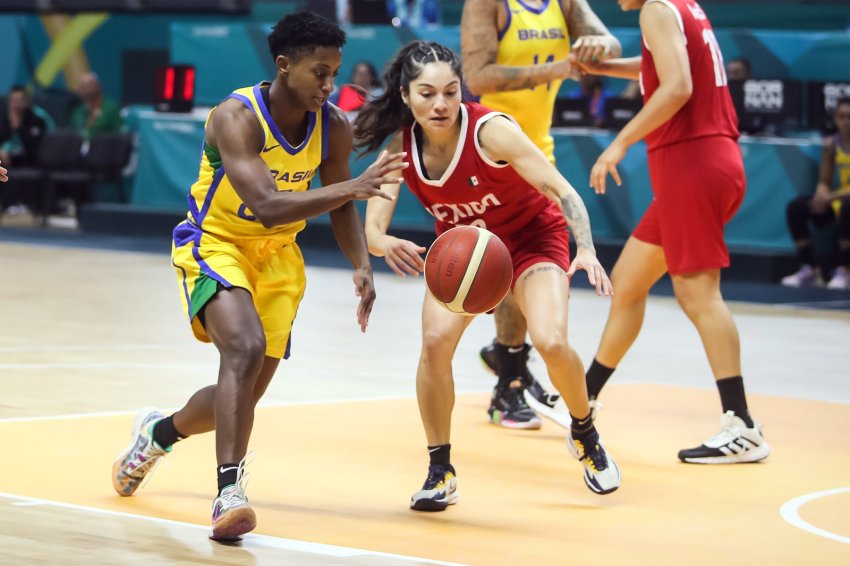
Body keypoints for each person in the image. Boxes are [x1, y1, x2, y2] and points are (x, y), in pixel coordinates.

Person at [110, 10, 406, 540]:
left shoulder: (332, 125)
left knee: (244, 394)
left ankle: (158, 433)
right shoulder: (235, 117)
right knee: (242, 350)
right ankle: (229, 492)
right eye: (320, 72)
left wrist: (361, 264)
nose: (329, 85)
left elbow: (341, 207)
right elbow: (268, 204)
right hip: (215, 244)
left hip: (278, 258)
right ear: (284, 64)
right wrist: (351, 188)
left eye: (335, 73)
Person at [355, 40, 620, 511]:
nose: (440, 104)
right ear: (404, 94)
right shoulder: (401, 146)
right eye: (427, 93)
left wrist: (587, 248)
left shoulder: (490, 130)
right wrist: (383, 243)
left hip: (531, 241)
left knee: (552, 341)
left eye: (451, 92)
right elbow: (373, 227)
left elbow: (561, 189)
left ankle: (584, 432)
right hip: (467, 258)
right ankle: (440, 470)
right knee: (434, 345)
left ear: (463, 92)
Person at [570, 0, 770, 464]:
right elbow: (661, 66)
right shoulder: (682, 7)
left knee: (697, 293)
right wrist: (603, 66)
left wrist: (618, 143)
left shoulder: (655, 10)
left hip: (692, 165)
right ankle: (583, 399)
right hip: (706, 162)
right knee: (628, 284)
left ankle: (741, 424)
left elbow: (677, 86)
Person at [461, 0, 621, 429]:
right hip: (492, 151)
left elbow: (609, 42)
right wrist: (556, 69)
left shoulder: (565, 2)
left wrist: (594, 43)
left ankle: (509, 359)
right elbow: (476, 77)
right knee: (509, 269)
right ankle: (507, 385)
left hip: (538, 150)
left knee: (533, 270)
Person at [781, 98, 850, 290]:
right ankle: (810, 269)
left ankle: (844, 270)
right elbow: (824, 180)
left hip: (845, 202)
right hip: (837, 199)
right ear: (835, 119)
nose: (845, 121)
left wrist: (830, 197)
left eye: (849, 117)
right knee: (797, 207)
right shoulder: (831, 144)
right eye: (841, 117)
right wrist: (821, 195)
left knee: (848, 207)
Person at [0, 86, 49, 214]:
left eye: (19, 100)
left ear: (26, 101)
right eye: (12, 100)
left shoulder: (37, 120)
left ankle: (19, 204)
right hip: (8, 162)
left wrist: (18, 127)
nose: (15, 104)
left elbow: (34, 147)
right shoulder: (4, 120)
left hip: (30, 161)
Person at [70, 72, 124, 138]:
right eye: (83, 85)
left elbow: (120, 135)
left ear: (98, 86)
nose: (87, 89)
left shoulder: (111, 109)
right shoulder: (78, 113)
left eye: (90, 84)